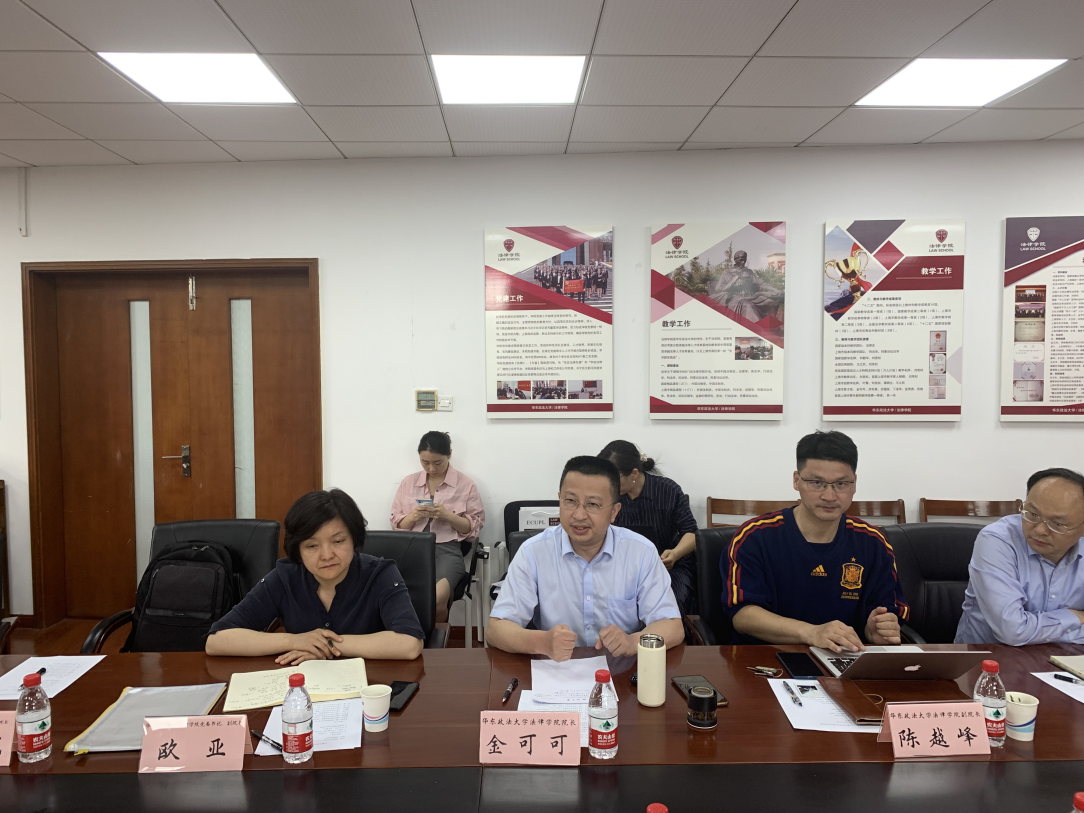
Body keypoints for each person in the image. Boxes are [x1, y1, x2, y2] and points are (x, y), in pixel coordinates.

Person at [725, 430, 910, 651]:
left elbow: (886, 611)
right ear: (796, 480)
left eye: (841, 484)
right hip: (765, 659)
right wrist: (811, 633)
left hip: (845, 659)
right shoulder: (754, 536)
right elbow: (743, 616)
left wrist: (875, 631)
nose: (829, 496)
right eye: (816, 482)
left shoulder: (873, 542)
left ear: (854, 483)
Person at [487, 456, 684, 661]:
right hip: (556, 669)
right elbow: (496, 629)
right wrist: (542, 642)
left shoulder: (641, 552)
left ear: (614, 511)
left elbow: (672, 626)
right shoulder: (533, 552)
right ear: (560, 500)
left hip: (621, 672)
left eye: (593, 504)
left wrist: (631, 642)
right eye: (570, 501)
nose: (579, 515)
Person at [206, 489, 424, 663]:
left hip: (370, 687)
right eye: (312, 546)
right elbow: (217, 641)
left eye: (338, 541)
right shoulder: (285, 577)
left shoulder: (380, 574)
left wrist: (326, 645)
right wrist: (295, 641)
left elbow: (409, 643)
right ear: (298, 550)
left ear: (354, 540)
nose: (327, 555)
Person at [956, 468, 1084, 645]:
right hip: (988, 657)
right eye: (1033, 514)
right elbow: (1011, 631)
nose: (1040, 530)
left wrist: (1034, 631)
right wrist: (1073, 618)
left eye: (1057, 523)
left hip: (1069, 657)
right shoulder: (997, 540)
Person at [391, 431, 485, 624]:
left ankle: (434, 642)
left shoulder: (465, 484)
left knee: (436, 599)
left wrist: (447, 516)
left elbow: (473, 528)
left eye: (437, 462)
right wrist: (414, 517)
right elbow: (396, 523)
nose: (431, 468)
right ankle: (409, 638)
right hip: (411, 551)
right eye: (425, 462)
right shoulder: (408, 482)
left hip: (448, 552)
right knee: (394, 595)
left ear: (449, 454)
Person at [598, 440, 700, 615]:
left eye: (614, 478)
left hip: (668, 565)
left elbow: (692, 533)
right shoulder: (609, 494)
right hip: (622, 566)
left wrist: (675, 554)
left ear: (634, 473)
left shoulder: (668, 490)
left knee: (670, 605)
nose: (609, 483)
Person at [710, 249, 783, 321]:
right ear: (735, 260)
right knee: (747, 305)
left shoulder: (749, 272)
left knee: (772, 300)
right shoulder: (727, 273)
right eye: (741, 259)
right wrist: (736, 277)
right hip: (735, 299)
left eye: (744, 259)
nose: (743, 261)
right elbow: (718, 289)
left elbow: (762, 284)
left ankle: (771, 324)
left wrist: (774, 290)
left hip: (752, 297)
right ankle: (758, 325)